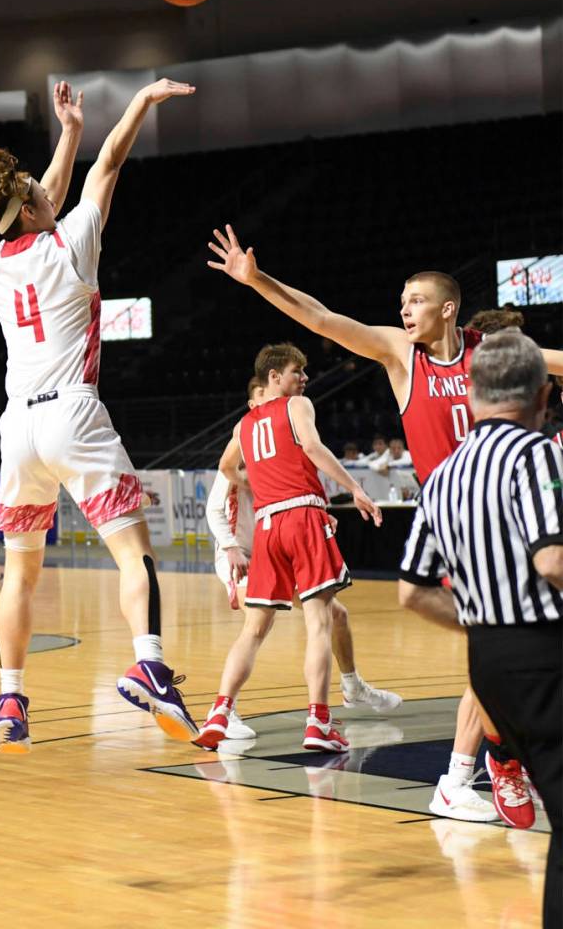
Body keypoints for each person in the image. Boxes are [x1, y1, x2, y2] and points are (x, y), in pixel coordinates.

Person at [206, 224, 563, 822]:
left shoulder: (491, 353)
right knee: (501, 636)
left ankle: (488, 760)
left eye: (415, 300)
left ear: (448, 308)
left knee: (509, 642)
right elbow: (321, 319)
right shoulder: (401, 355)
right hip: (457, 519)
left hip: (512, 510)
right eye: (402, 301)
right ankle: (486, 762)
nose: (404, 308)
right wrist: (256, 279)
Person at [0, 77, 199, 753]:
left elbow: (43, 199)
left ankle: (10, 699)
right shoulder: (70, 245)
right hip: (72, 414)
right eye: (36, 190)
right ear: (35, 206)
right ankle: (149, 664)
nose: (44, 190)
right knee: (134, 555)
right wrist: (138, 105)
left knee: (20, 574)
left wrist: (67, 129)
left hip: (17, 430)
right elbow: (108, 167)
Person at [397, 331, 562, 928]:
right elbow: (551, 560)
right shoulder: (535, 453)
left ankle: (495, 764)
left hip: (486, 661)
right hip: (544, 652)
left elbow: (411, 591)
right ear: (544, 396)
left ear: (469, 395)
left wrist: (482, 620)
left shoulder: (442, 476)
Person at [193, 342, 382, 752]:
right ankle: (318, 722)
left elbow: (226, 467)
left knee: (253, 630)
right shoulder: (297, 406)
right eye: (298, 371)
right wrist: (355, 489)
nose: (305, 379)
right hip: (301, 517)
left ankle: (219, 713)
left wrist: (258, 485)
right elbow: (313, 449)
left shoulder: (242, 426)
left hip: (267, 525)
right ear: (274, 377)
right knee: (319, 623)